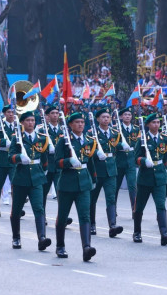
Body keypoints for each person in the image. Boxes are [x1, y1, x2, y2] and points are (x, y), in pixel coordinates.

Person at [54, 112, 97, 261]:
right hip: (67, 182)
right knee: (63, 216)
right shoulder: (64, 141)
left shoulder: (89, 141)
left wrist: (94, 178)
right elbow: (57, 162)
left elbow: (90, 161)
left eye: (82, 122)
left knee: (85, 215)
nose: (80, 125)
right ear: (71, 125)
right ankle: (60, 246)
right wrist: (68, 161)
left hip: (84, 183)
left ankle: (86, 247)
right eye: (77, 122)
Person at [8, 110, 52, 250]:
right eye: (27, 120)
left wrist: (43, 170)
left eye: (33, 120)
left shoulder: (42, 138)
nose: (31, 123)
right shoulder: (17, 138)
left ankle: (42, 238)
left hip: (37, 178)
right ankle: (16, 237)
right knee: (16, 210)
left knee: (39, 208)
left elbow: (44, 156)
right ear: (22, 123)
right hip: (21, 177)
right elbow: (11, 157)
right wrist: (19, 158)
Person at [133, 113, 167, 246]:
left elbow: (165, 158)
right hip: (145, 178)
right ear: (148, 125)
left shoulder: (164, 138)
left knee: (161, 205)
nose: (156, 125)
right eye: (153, 123)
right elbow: (135, 159)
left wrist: (163, 169)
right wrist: (144, 161)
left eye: (158, 122)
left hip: (160, 178)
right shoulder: (142, 140)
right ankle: (137, 232)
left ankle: (164, 233)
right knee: (140, 206)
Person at [89, 108, 124, 238]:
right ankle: (92, 224)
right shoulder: (92, 133)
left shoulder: (114, 133)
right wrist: (96, 153)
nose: (106, 119)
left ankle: (112, 225)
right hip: (97, 169)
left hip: (110, 169)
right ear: (98, 119)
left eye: (108, 117)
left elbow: (117, 146)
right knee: (93, 199)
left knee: (111, 198)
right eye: (103, 117)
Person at [114, 107, 139, 215]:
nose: (127, 116)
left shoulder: (136, 129)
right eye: (125, 115)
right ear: (121, 117)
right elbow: (112, 143)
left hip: (131, 162)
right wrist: (121, 146)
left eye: (129, 115)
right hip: (119, 161)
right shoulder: (116, 129)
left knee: (132, 186)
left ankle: (134, 210)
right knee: (115, 187)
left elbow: (139, 143)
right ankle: (112, 210)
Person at [0, 105, 16, 217]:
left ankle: (16, 209)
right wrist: (4, 143)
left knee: (15, 184)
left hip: (14, 159)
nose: (11, 114)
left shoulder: (17, 126)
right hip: (2, 158)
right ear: (5, 114)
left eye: (12, 112)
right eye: (8, 112)